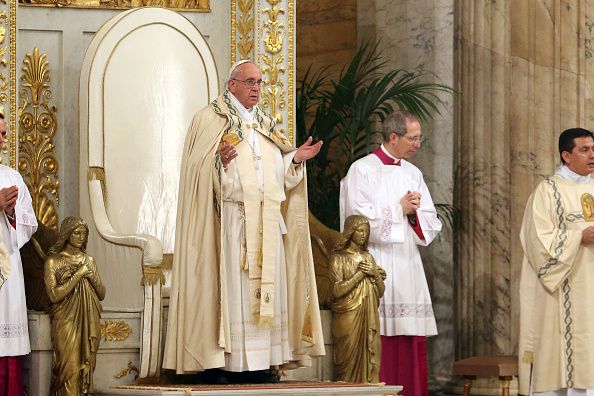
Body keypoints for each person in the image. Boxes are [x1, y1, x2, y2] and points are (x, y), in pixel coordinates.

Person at [163, 60, 325, 380]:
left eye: (260, 83)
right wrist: (219, 163)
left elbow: (276, 175)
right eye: (249, 82)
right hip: (231, 224)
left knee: (266, 296)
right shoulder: (210, 119)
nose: (256, 88)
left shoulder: (264, 122)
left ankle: (263, 364)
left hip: (266, 223)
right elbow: (197, 172)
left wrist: (293, 159)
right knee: (233, 295)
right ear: (232, 84)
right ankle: (227, 364)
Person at [339, 110, 442, 395]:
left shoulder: (413, 173)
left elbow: (431, 221)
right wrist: (399, 210)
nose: (418, 144)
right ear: (393, 136)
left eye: (420, 138)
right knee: (378, 336)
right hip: (375, 264)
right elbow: (356, 221)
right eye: (413, 138)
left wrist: (412, 214)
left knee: (409, 338)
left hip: (408, 264)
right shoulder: (362, 169)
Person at [519, 128, 594, 395]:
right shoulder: (547, 191)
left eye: (593, 149)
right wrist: (578, 237)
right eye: (584, 150)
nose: (592, 155)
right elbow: (536, 239)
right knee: (558, 362)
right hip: (561, 288)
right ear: (566, 155)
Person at [45, 216, 105, 395]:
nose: (81, 237)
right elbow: (54, 295)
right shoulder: (53, 262)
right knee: (68, 369)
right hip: (65, 321)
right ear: (66, 234)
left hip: (89, 319)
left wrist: (91, 276)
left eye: (84, 234)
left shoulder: (89, 261)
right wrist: (78, 275)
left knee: (85, 368)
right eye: (77, 233)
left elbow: (101, 294)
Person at [0, 112, 38, 395]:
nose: (2, 140)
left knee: (8, 351)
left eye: (3, 134)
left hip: (7, 272)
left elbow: (30, 222)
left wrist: (11, 212)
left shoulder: (12, 177)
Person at [329, 214, 385, 384]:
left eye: (366, 232)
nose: (363, 235)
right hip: (348, 316)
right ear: (350, 232)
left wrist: (375, 274)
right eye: (359, 230)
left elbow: (380, 292)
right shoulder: (338, 258)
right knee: (346, 359)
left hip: (369, 316)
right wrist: (361, 274)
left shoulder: (368, 258)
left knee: (372, 352)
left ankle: (370, 386)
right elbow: (337, 291)